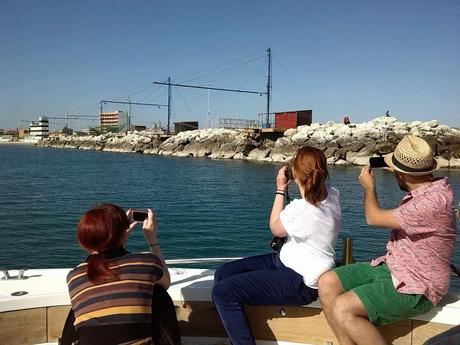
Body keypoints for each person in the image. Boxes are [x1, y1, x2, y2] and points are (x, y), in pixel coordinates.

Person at [318, 135, 457, 345]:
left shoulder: (430, 203)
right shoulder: (428, 191)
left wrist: (369, 187)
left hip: (418, 285)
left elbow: (372, 217)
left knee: (343, 308)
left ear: (401, 174)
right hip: (393, 267)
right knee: (327, 283)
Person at [212, 146, 341, 345]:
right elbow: (314, 194)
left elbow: (275, 228)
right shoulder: (333, 195)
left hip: (300, 281)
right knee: (222, 274)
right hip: (283, 261)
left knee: (222, 292)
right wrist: (300, 179)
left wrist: (281, 188)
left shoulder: (301, 209)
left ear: (296, 174)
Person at [60, 203, 181, 345]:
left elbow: (100, 260)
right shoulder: (146, 262)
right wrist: (152, 240)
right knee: (159, 293)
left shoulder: (74, 276)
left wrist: (119, 235)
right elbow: (166, 283)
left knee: (77, 311)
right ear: (123, 233)